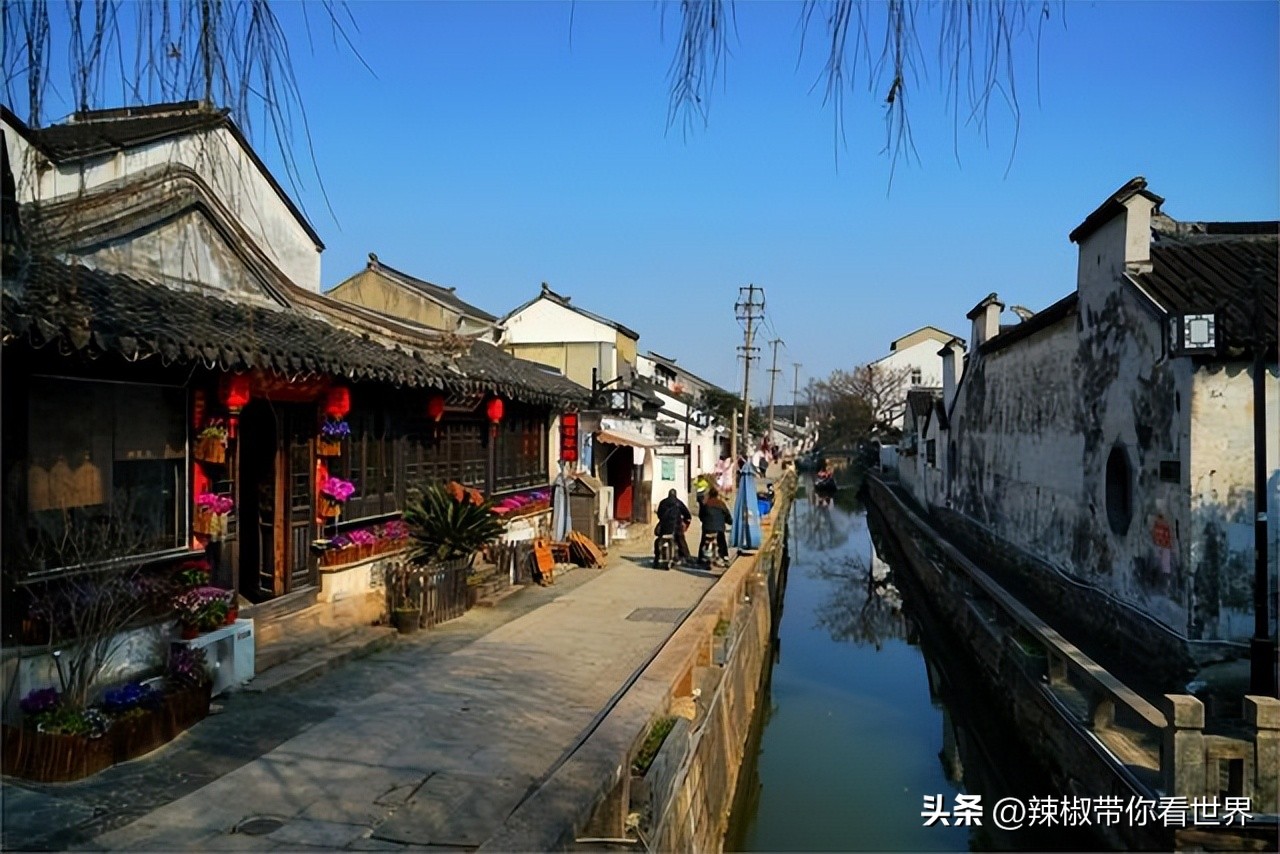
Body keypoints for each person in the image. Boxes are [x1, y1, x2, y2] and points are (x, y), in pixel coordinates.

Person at [654, 488, 692, 565]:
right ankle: (686, 557)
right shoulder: (679, 503)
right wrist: (684, 521)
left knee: (658, 540)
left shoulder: (663, 502)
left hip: (664, 527)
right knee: (681, 540)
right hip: (676, 527)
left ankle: (657, 557)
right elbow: (687, 514)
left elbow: (659, 514)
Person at [697, 486, 731, 566]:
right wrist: (730, 522)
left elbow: (701, 515)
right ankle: (725, 557)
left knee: (703, 541)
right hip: (719, 529)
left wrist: (704, 521)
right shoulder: (721, 504)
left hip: (707, 528)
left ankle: (700, 558)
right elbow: (727, 515)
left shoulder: (706, 503)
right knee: (722, 542)